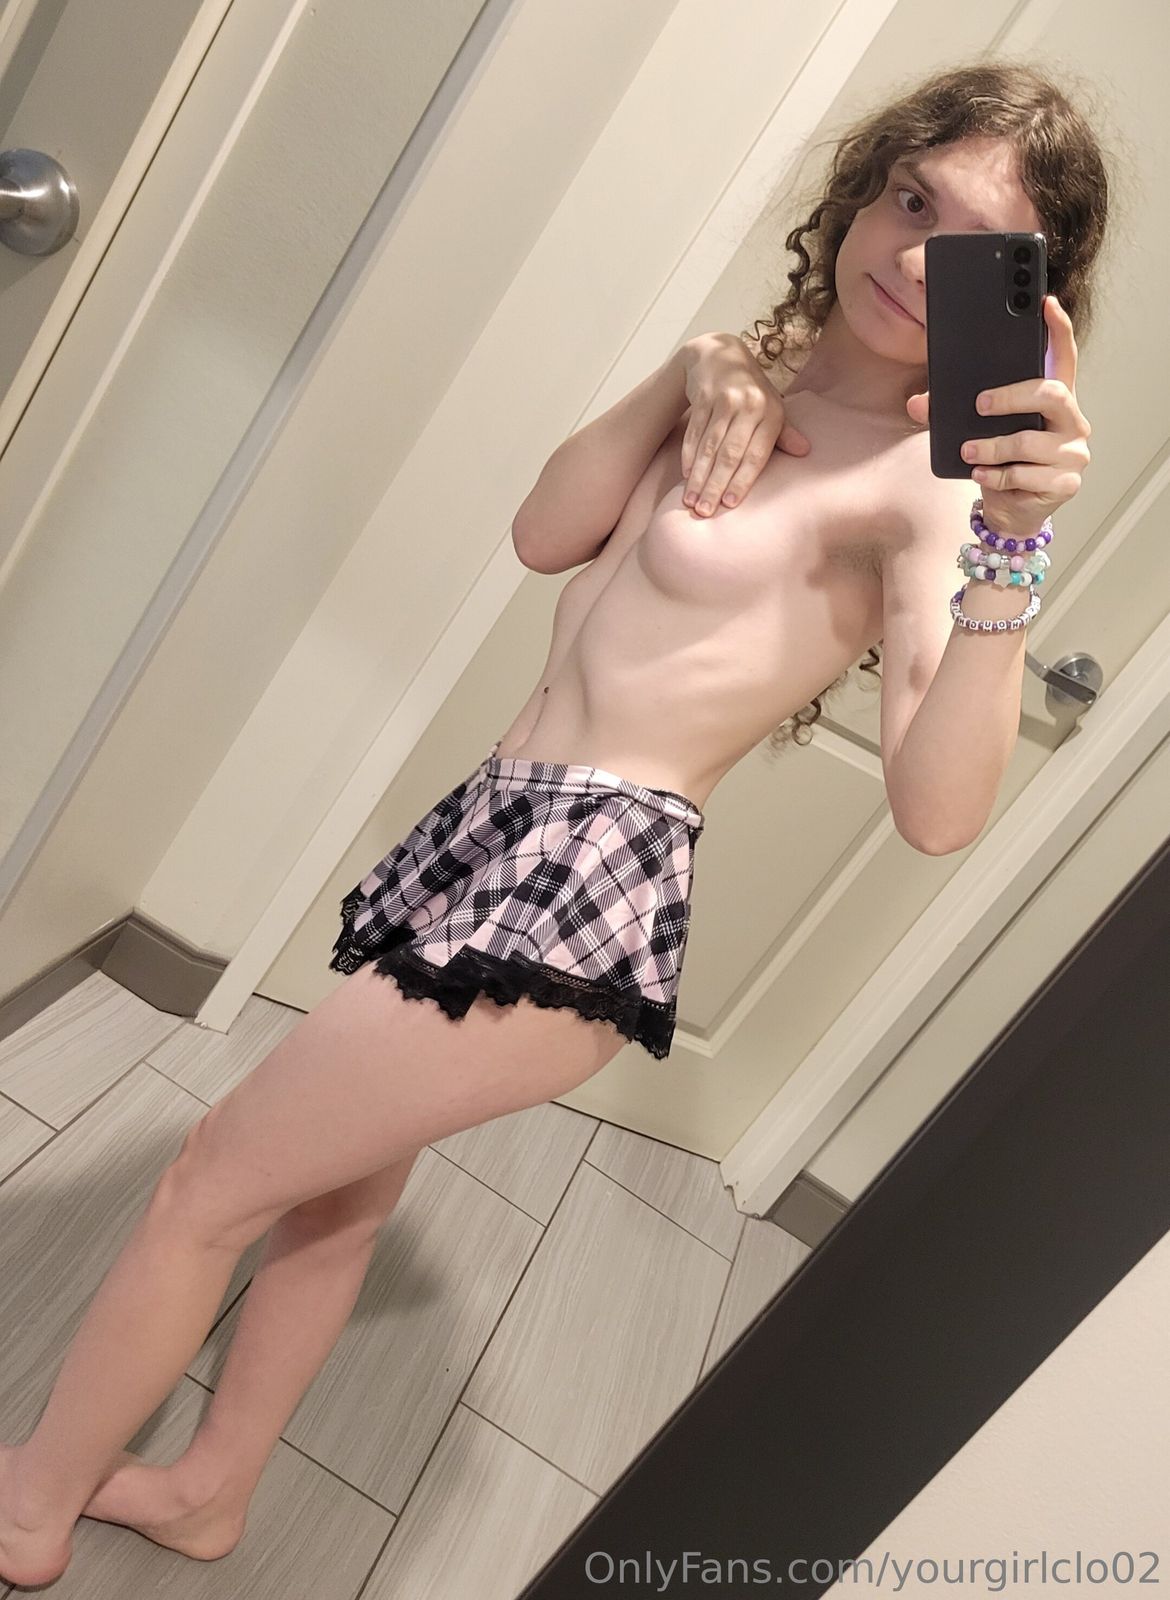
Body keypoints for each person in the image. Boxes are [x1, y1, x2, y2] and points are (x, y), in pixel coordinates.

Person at [0, 58, 1110, 1585]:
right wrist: (689, 372)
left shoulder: (931, 502)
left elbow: (937, 814)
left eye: (974, 251)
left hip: (585, 881)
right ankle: (208, 1490)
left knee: (210, 1181)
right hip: (497, 818)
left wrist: (1012, 550)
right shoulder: (755, 379)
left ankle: (31, 1505)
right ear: (862, 188)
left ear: (1028, 303)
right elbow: (544, 535)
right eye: (909, 200)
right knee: (334, 1198)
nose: (916, 259)